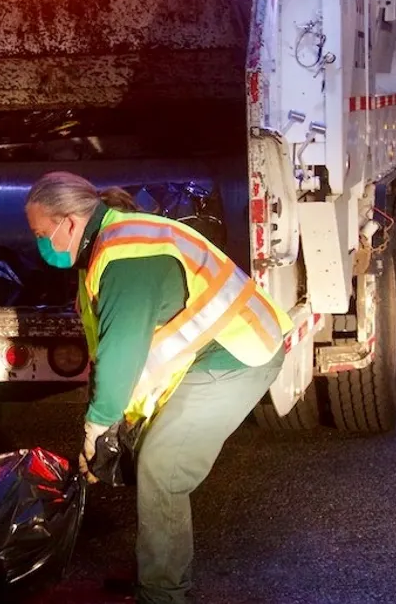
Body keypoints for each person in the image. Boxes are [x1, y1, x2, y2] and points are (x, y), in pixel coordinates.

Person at [24, 172, 294, 604]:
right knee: (142, 449)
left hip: (239, 351)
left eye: (41, 233)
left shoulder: (123, 255)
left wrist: (98, 428)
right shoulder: (101, 249)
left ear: (69, 223)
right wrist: (113, 426)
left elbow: (123, 351)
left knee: (162, 466)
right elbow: (113, 349)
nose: (39, 243)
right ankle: (156, 563)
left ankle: (162, 593)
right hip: (209, 349)